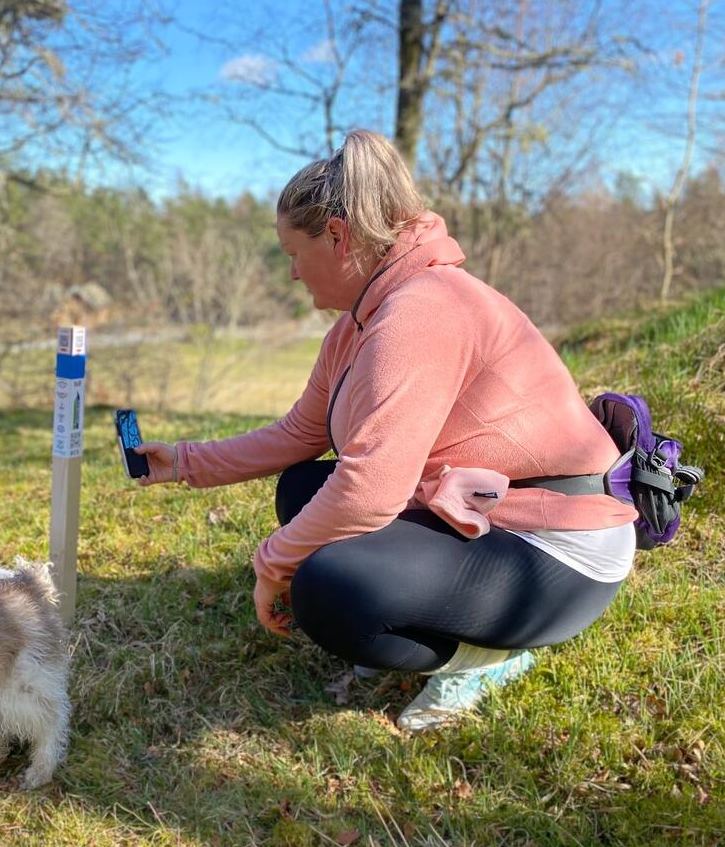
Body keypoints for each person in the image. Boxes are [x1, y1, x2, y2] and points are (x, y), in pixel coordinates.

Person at [135, 130, 637, 732]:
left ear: (338, 237)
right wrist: (183, 461)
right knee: (302, 489)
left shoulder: (423, 310)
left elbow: (370, 491)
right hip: (492, 516)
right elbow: (300, 433)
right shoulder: (359, 325)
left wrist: (274, 563)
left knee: (328, 589)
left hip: (555, 554)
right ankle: (428, 621)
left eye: (293, 253)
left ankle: (486, 660)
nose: (292, 273)